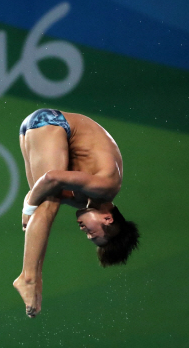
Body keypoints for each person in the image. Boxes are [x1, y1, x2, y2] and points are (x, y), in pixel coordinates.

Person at [13, 108, 140, 318]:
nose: (85, 233)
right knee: (47, 202)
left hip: (34, 128)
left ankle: (35, 276)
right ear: (107, 218)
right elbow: (51, 178)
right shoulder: (105, 185)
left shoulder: (82, 199)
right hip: (53, 122)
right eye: (93, 234)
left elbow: (40, 191)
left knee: (47, 201)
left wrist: (31, 205)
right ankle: (29, 277)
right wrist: (28, 208)